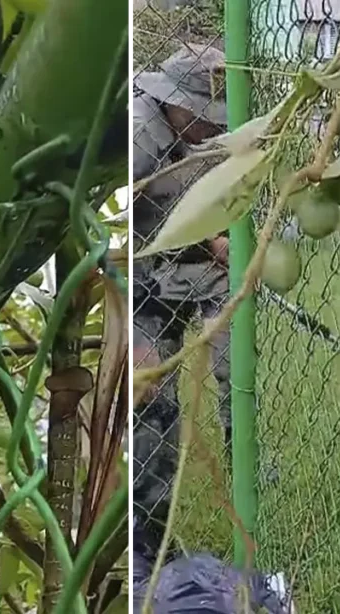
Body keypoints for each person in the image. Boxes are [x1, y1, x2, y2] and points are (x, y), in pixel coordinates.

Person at [129, 43, 231, 552]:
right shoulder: (139, 137)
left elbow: (166, 208)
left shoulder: (176, 134)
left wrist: (208, 242)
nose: (215, 128)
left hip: (157, 272)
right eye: (208, 117)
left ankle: (148, 535)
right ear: (178, 103)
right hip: (127, 290)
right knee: (152, 410)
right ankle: (147, 537)